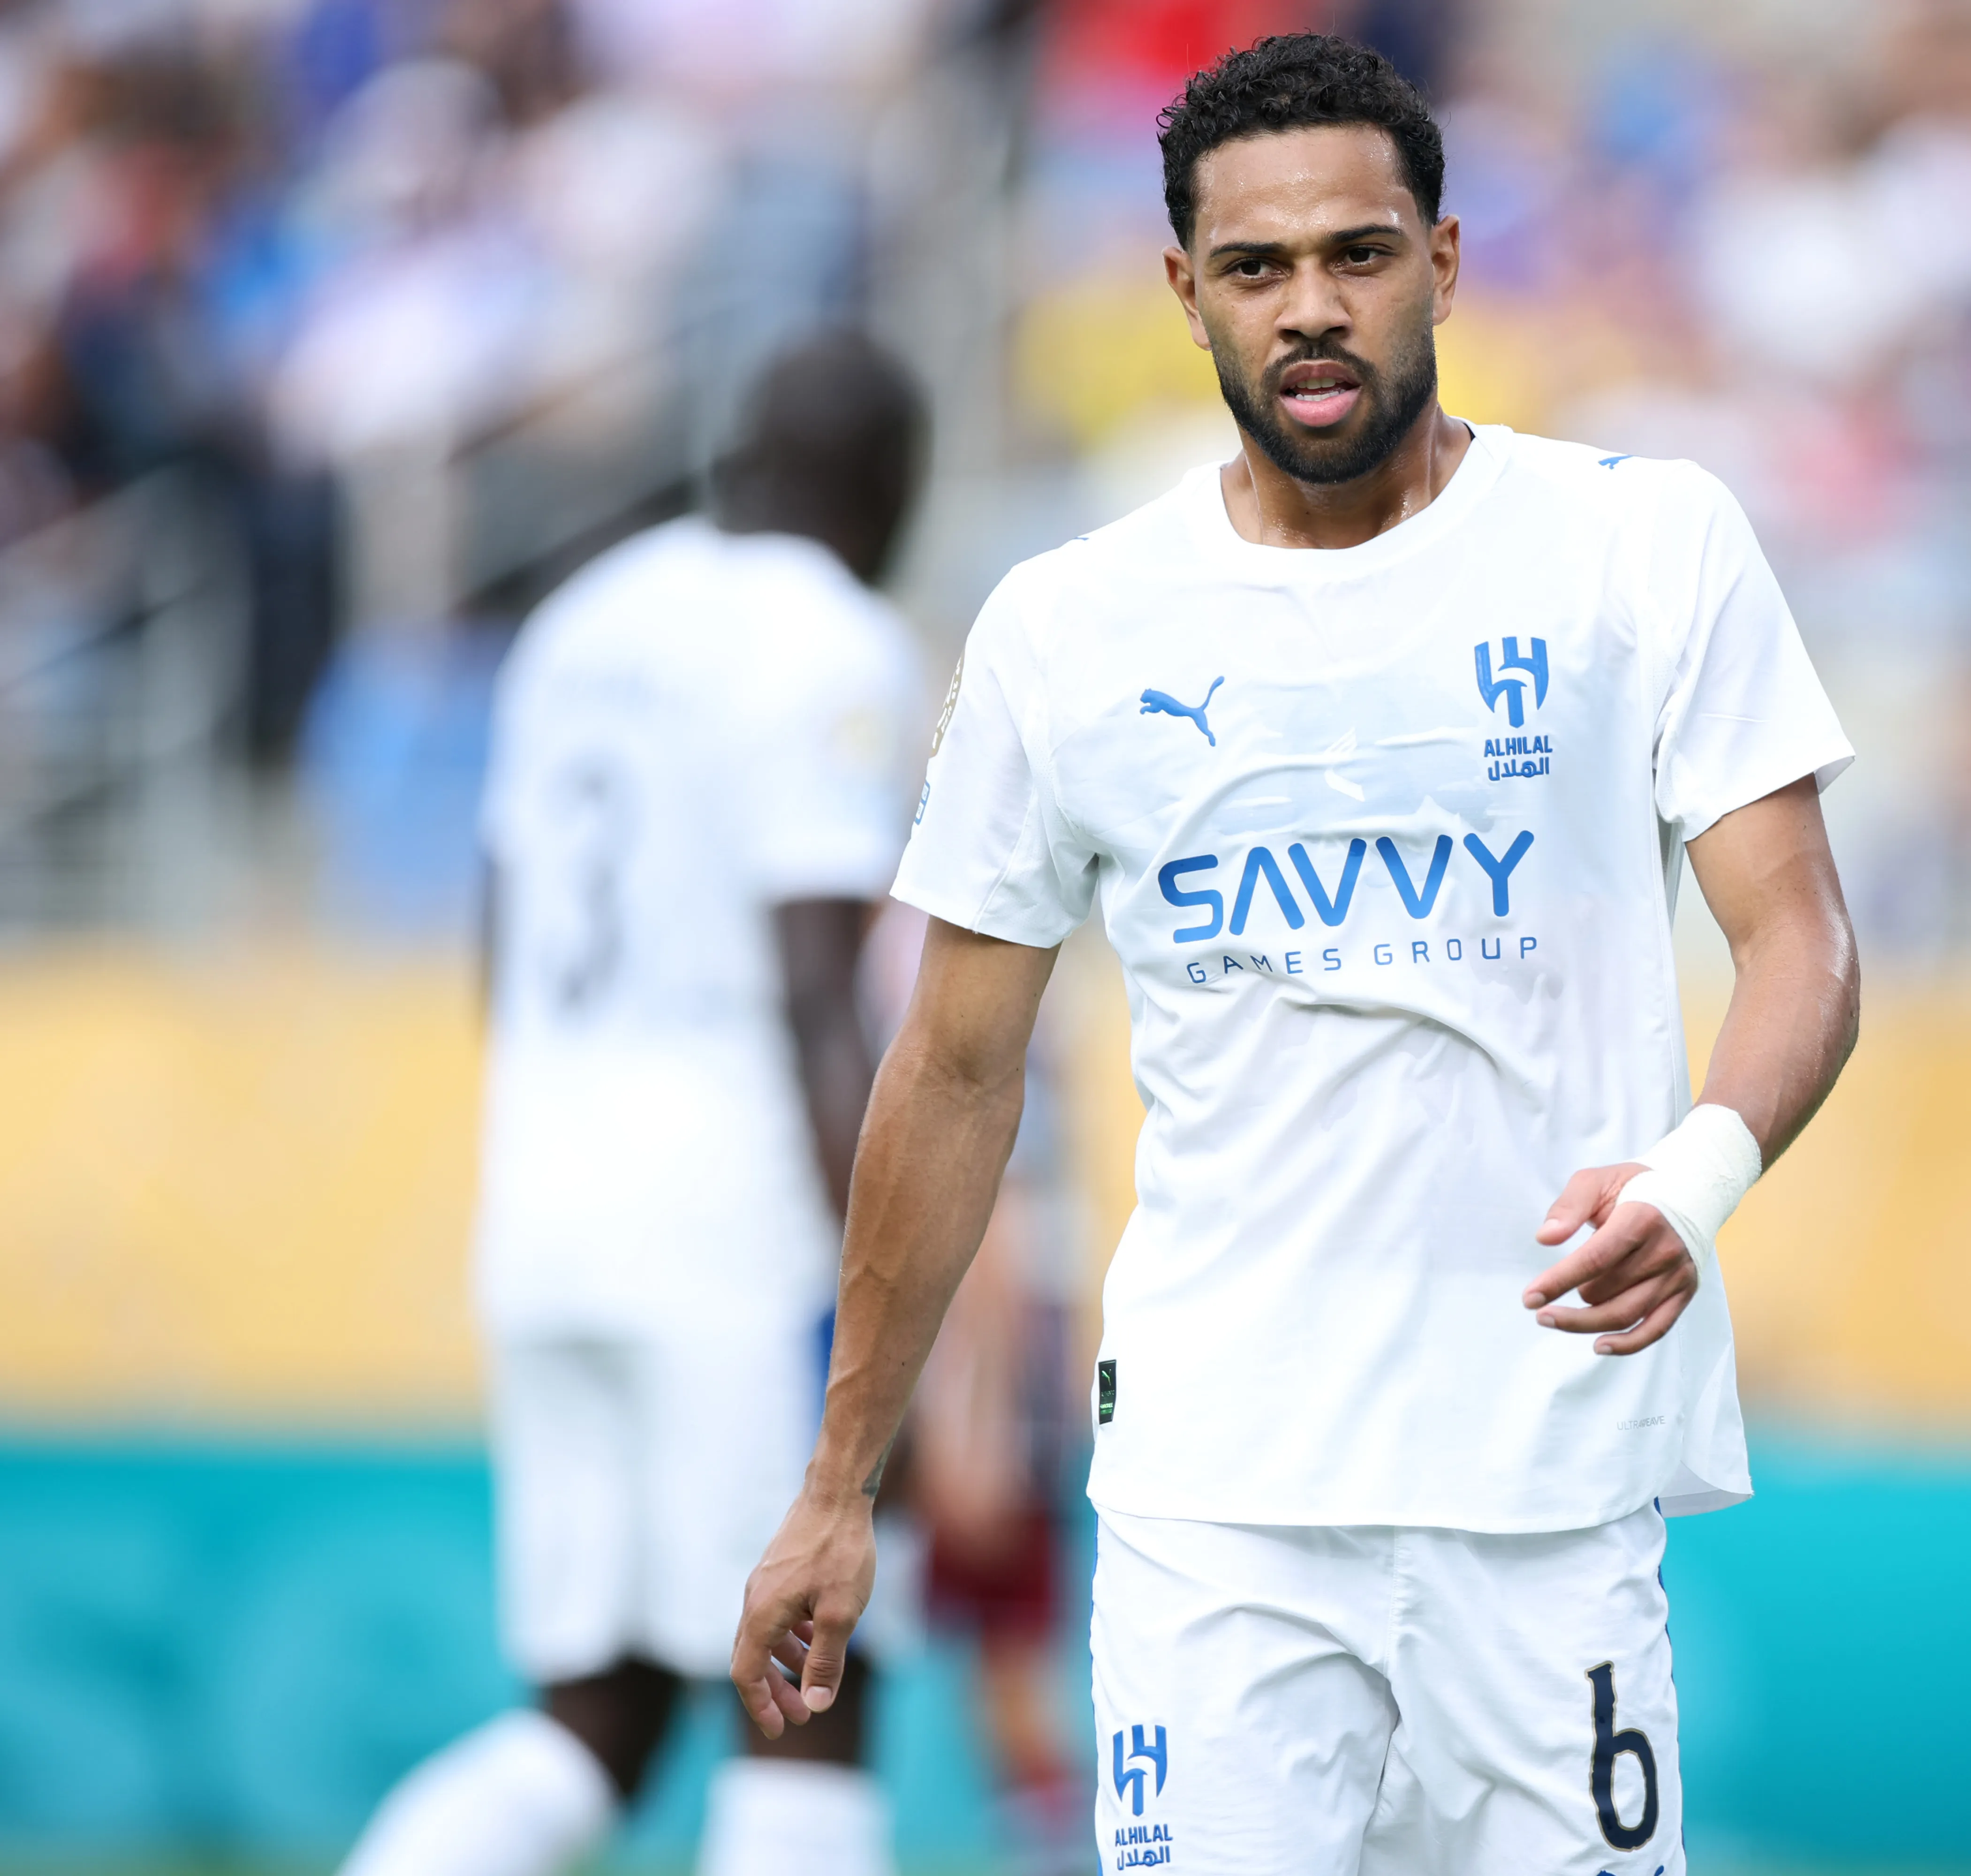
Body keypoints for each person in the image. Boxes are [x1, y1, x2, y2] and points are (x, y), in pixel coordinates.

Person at [731, 34, 1860, 1875]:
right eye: (1257, 268)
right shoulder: (1068, 629)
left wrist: (1699, 1172)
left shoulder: (1642, 545)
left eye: (1359, 255)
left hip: (1546, 1488)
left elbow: (1799, 930)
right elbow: (950, 1068)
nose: (1312, 307)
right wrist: (837, 1486)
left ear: (1447, 262)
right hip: (1215, 1507)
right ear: (1186, 293)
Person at [339, 330, 928, 1876]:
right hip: (731, 1234)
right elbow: (818, 994)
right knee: (813, 1677)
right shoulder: (830, 635)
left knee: (600, 1711)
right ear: (892, 487)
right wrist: (894, 1319)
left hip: (544, 1213)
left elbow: (499, 938)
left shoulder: (582, 619)